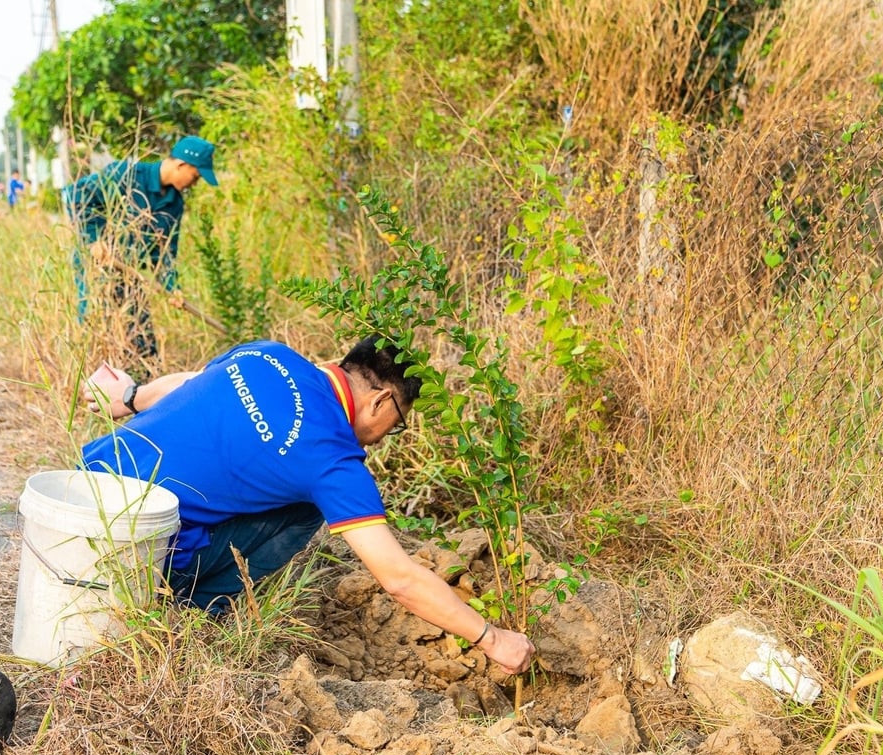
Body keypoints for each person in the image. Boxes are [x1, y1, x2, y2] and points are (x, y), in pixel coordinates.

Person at [80, 335, 537, 675]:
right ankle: (193, 610)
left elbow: (188, 384)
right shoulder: (333, 459)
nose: (382, 438)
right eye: (394, 425)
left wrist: (129, 397)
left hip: (82, 492)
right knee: (308, 509)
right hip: (137, 552)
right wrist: (493, 639)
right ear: (381, 401)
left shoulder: (266, 353)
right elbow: (399, 578)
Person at [63, 135, 218, 356]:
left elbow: (166, 250)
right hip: (98, 267)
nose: (195, 183)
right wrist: (94, 239)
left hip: (130, 272)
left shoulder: (175, 203)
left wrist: (172, 286)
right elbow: (76, 195)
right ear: (181, 165)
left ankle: (142, 383)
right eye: (195, 176)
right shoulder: (127, 175)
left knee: (141, 338)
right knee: (95, 327)